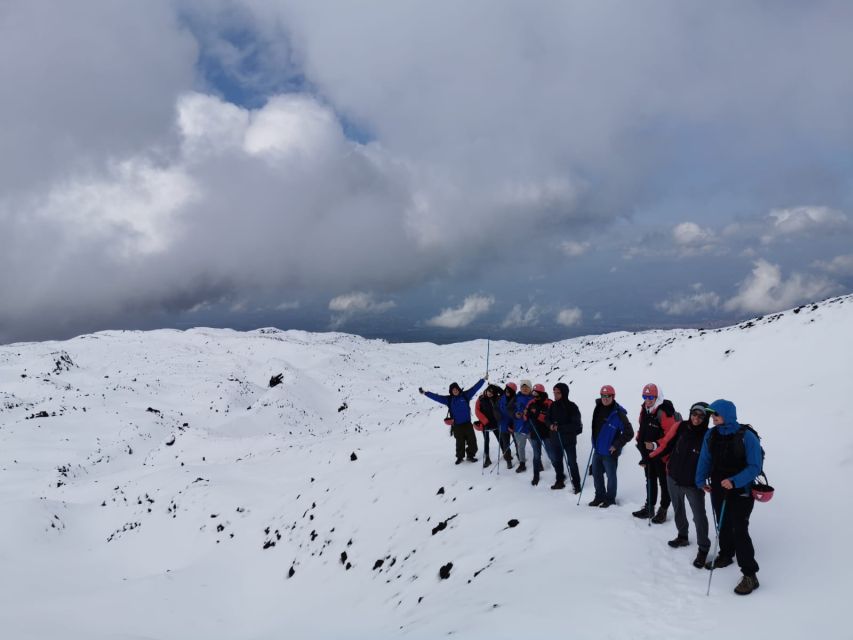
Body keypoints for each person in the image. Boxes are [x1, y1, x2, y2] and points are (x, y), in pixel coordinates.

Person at [695, 399, 762, 595]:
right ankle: (726, 554)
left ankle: (750, 575)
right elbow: (705, 459)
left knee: (739, 529)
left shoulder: (747, 437)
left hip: (741, 489)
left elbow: (755, 467)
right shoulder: (711, 434)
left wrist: (734, 481)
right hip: (718, 486)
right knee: (722, 522)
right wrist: (700, 481)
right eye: (712, 415)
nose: (712, 418)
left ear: (727, 415)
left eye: (716, 414)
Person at [652, 401, 711, 568]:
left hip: (694, 484)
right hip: (673, 477)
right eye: (694, 413)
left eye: (701, 416)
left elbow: (711, 462)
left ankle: (703, 548)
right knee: (678, 508)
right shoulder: (680, 427)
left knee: (699, 516)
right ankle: (682, 536)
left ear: (705, 418)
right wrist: (651, 457)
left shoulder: (708, 436)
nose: (696, 418)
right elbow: (666, 444)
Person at [633, 383, 680, 523]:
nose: (647, 400)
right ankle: (649, 507)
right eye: (645, 396)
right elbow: (642, 428)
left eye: (650, 397)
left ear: (657, 396)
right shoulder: (645, 410)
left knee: (663, 483)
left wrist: (655, 445)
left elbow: (670, 435)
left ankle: (663, 510)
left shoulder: (663, 412)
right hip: (648, 455)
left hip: (663, 456)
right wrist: (640, 442)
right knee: (650, 479)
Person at [420, 376, 486, 464]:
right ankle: (460, 457)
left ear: (458, 389)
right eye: (453, 390)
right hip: (457, 425)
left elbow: (475, 388)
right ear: (451, 391)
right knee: (460, 443)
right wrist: (425, 393)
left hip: (467, 424)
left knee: (472, 441)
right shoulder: (449, 399)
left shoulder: (466, 395)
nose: (455, 391)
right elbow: (437, 397)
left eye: (456, 389)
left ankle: (470, 456)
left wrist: (483, 380)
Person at [588, 385, 634, 508]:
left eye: (608, 396)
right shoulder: (598, 408)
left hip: (610, 452)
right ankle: (599, 497)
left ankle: (610, 499)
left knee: (611, 477)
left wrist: (616, 445)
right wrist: (594, 442)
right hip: (597, 449)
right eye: (603, 395)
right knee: (597, 475)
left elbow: (629, 432)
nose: (605, 398)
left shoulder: (618, 414)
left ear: (613, 397)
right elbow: (596, 428)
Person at [547, 382, 582, 492]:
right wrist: (550, 425)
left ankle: (576, 484)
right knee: (557, 461)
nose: (555, 395)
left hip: (569, 441)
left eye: (558, 393)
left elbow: (576, 424)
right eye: (554, 393)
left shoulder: (572, 406)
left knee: (572, 463)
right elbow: (547, 418)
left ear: (564, 393)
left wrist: (560, 428)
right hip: (555, 440)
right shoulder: (552, 405)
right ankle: (559, 481)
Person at [523, 384, 555, 486]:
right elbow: (525, 417)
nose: (534, 395)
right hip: (535, 433)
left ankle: (558, 473)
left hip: (547, 433)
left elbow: (549, 419)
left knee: (551, 454)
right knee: (536, 455)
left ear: (541, 393)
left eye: (536, 393)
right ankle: (536, 475)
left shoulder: (549, 403)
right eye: (533, 393)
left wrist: (537, 414)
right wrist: (526, 414)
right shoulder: (531, 403)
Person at [474, 384, 504, 468]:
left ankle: (505, 452)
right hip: (485, 424)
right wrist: (485, 421)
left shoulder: (497, 398)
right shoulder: (480, 399)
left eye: (492, 392)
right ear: (486, 390)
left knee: (500, 438)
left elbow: (503, 394)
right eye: (489, 391)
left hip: (495, 423)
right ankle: (487, 458)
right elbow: (477, 411)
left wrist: (497, 388)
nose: (490, 393)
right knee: (486, 441)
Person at [509, 380, 535, 473]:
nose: (525, 388)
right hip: (519, 427)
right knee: (520, 447)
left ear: (530, 388)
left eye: (527, 387)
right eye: (523, 387)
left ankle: (538, 462)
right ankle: (522, 463)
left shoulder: (534, 397)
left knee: (535, 446)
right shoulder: (515, 398)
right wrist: (516, 414)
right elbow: (510, 410)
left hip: (532, 427)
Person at [496, 382, 517, 469]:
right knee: (506, 444)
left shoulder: (516, 399)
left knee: (517, 442)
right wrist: (497, 415)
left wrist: (513, 423)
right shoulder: (501, 398)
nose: (507, 391)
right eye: (506, 389)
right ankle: (508, 460)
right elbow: (496, 408)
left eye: (510, 390)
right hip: (503, 424)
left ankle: (520, 457)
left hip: (513, 425)